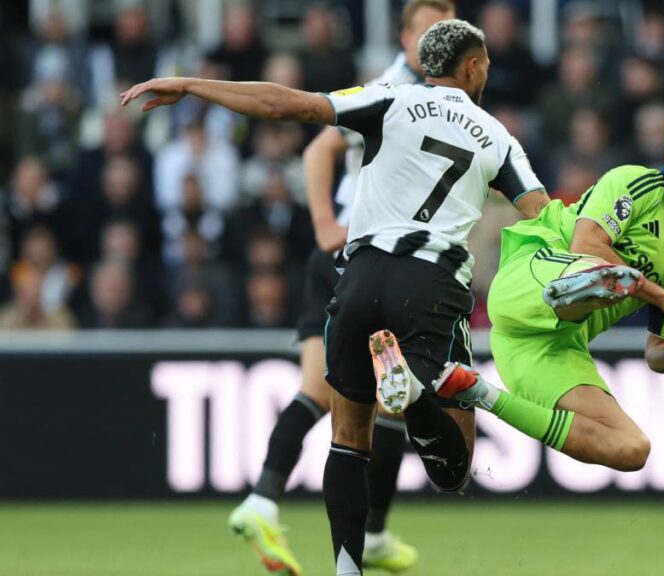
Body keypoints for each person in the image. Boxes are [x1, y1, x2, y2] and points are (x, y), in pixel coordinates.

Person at [121, 19, 548, 575]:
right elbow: (545, 218)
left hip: (360, 275)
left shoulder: (388, 97)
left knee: (348, 440)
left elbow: (284, 105)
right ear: (472, 67)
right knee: (453, 469)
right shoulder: (497, 135)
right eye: (486, 66)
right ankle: (414, 393)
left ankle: (347, 569)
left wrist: (194, 86)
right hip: (431, 283)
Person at [226, 1, 454, 574]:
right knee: (388, 404)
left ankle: (263, 498)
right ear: (404, 38)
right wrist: (328, 226)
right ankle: (369, 533)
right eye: (428, 30)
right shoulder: (394, 88)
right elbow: (319, 145)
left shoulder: (434, 95)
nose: (437, 43)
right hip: (364, 257)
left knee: (326, 392)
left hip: (351, 257)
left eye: (446, 30)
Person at [432, 110, 664, 471]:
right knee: (603, 272)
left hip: (542, 345)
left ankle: (478, 392)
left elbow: (655, 353)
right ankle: (578, 290)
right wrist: (663, 297)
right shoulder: (633, 183)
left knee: (631, 448)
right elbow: (586, 244)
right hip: (530, 278)